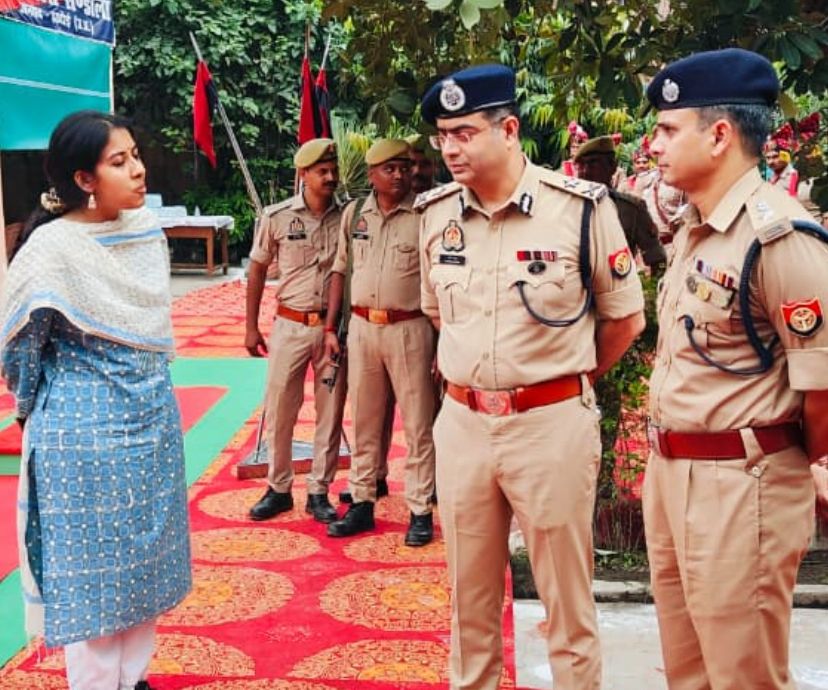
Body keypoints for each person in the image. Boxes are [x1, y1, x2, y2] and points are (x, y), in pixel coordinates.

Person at [418, 65, 645, 689]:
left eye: (465, 133)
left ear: (510, 129)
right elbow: (439, 314)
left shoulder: (578, 210)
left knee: (565, 599)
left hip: (550, 427)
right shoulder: (435, 215)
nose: (451, 148)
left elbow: (625, 320)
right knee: (468, 597)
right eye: (443, 135)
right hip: (463, 424)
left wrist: (558, 382)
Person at [643, 48, 828, 689]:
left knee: (743, 675)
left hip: (741, 484)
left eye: (668, 129)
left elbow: (822, 386)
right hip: (673, 474)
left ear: (719, 135)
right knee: (688, 670)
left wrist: (794, 466)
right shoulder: (696, 228)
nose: (654, 145)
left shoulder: (781, 237)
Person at [0, 110, 191, 690]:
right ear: (84, 179)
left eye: (136, 155)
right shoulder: (51, 248)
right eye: (119, 162)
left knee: (145, 568)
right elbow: (20, 348)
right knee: (94, 577)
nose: (138, 170)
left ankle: (135, 679)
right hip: (83, 438)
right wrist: (38, 409)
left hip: (153, 424)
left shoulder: (144, 230)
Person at [325, 139, 437, 546]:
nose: (400, 175)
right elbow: (340, 270)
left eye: (404, 168)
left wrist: (442, 340)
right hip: (362, 328)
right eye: (389, 169)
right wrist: (330, 329)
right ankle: (362, 500)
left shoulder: (424, 214)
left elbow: (438, 279)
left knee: (419, 423)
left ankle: (420, 509)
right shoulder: (355, 214)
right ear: (371, 174)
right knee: (365, 419)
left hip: (410, 328)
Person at [246, 138, 346, 524]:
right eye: (322, 171)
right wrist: (251, 326)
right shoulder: (278, 217)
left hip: (331, 329)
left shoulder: (348, 216)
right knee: (280, 409)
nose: (331, 177)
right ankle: (279, 488)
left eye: (333, 170)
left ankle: (319, 490)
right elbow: (257, 269)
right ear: (303, 174)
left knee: (330, 411)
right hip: (289, 325)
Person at [574, 135, 667, 270]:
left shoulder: (632, 210)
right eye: (581, 165)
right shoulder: (566, 207)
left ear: (612, 167)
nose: (586, 171)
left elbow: (657, 260)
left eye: (593, 164)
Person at [765, 127, 800, 196]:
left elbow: (792, 198)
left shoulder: (793, 176)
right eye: (768, 158)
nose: (770, 162)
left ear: (785, 156)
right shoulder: (771, 175)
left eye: (775, 157)